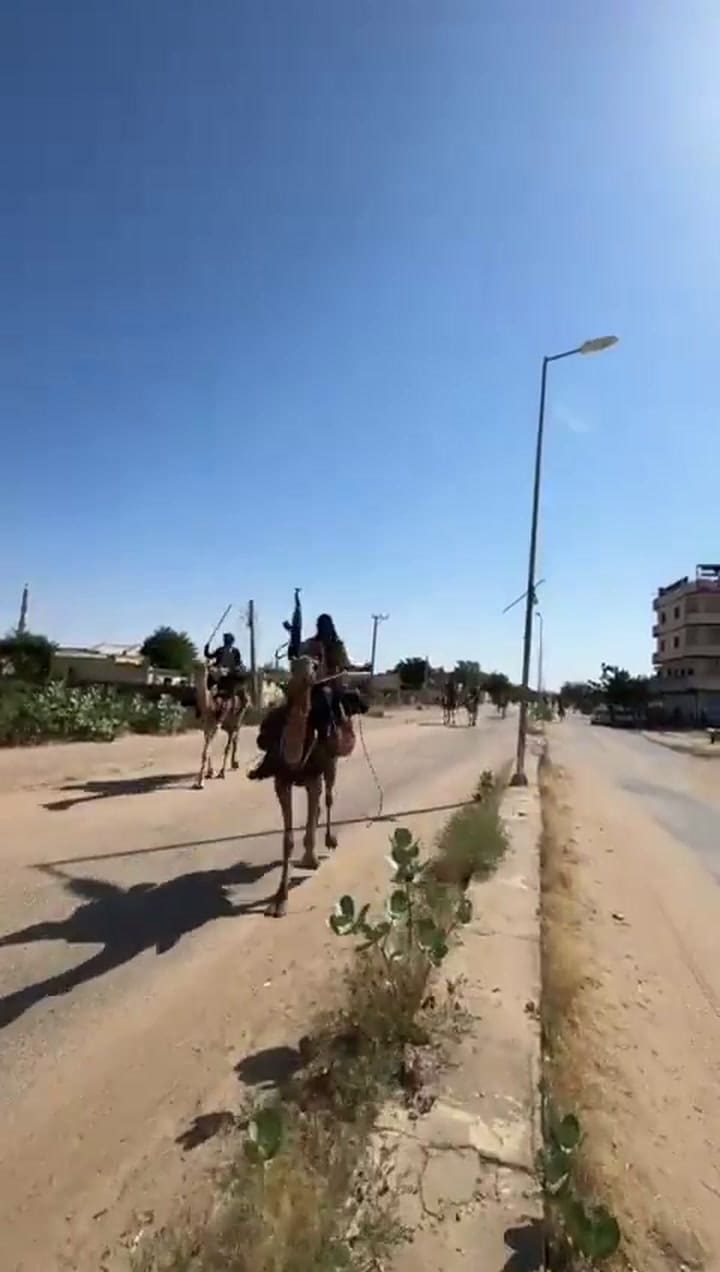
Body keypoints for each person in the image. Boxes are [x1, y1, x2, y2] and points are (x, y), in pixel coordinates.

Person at [203, 632, 246, 700]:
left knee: (212, 672)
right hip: (229, 672)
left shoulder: (221, 650)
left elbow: (208, 655)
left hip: (223, 672)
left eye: (225, 639)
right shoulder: (234, 650)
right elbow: (238, 662)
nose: (224, 640)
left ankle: (211, 689)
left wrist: (206, 648)